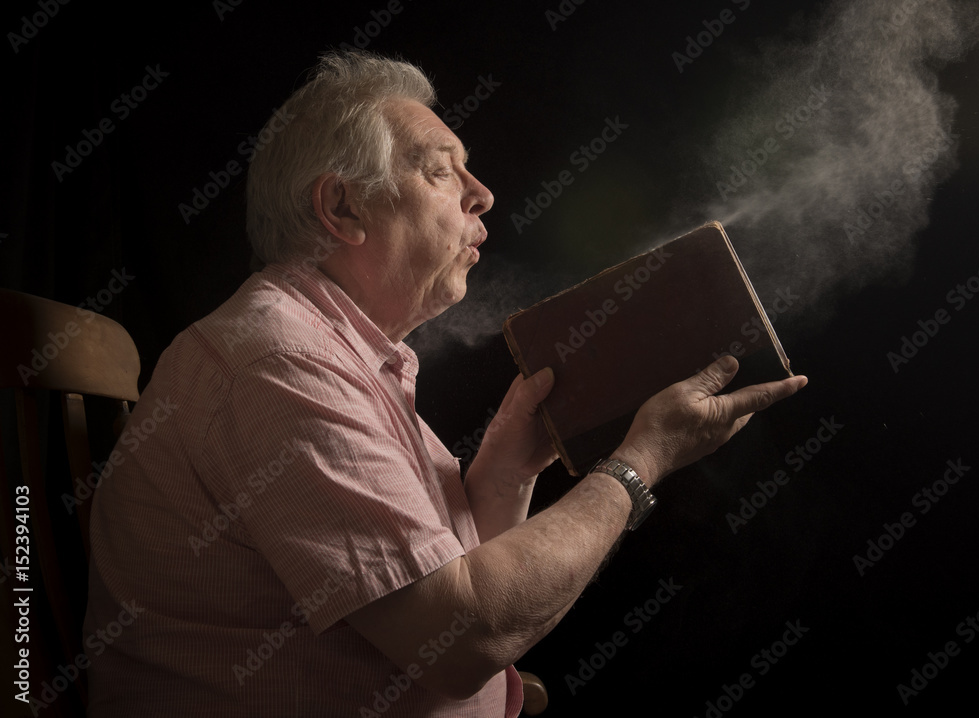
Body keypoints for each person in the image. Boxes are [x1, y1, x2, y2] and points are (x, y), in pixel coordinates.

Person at [83, 51, 807, 717]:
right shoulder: (280, 365)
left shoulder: (345, 355)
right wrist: (639, 464)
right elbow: (464, 639)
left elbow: (450, 598)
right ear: (342, 210)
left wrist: (504, 469)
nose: (483, 194)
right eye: (440, 170)